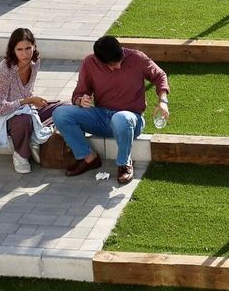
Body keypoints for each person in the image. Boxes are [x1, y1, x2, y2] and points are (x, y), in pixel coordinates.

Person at [52, 35, 170, 184]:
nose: (119, 67)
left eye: (120, 61)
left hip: (131, 119)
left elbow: (160, 75)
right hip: (101, 116)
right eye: (113, 65)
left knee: (121, 118)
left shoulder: (137, 58)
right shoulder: (89, 63)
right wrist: (81, 100)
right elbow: (78, 94)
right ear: (99, 60)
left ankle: (124, 164)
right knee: (60, 113)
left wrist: (163, 101)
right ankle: (89, 158)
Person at [0, 28, 61, 174]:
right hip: (2, 117)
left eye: (28, 48)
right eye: (19, 49)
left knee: (64, 108)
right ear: (12, 50)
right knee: (24, 120)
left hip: (26, 109)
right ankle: (21, 155)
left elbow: (28, 93)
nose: (25, 53)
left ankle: (34, 136)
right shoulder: (3, 70)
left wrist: (32, 102)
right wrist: (27, 101)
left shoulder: (35, 63)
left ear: (34, 46)